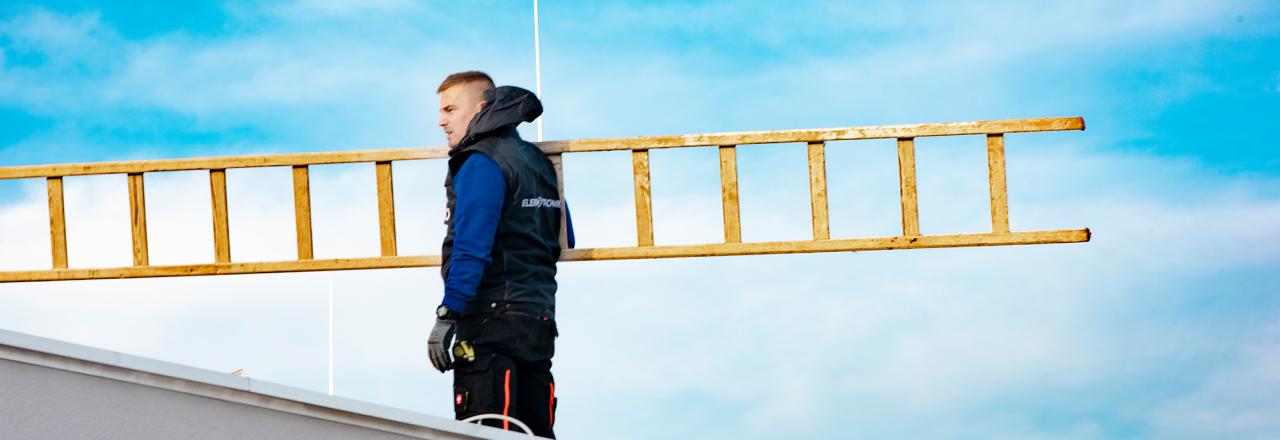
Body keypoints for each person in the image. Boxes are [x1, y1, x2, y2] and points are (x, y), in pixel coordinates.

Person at [427, 71, 573, 439]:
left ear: (480, 108)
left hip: (490, 321)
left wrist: (449, 313)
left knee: (487, 431)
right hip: (538, 321)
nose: (441, 120)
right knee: (534, 431)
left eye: (449, 109)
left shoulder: (481, 161)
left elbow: (471, 246)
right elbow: (564, 236)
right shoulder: (538, 162)